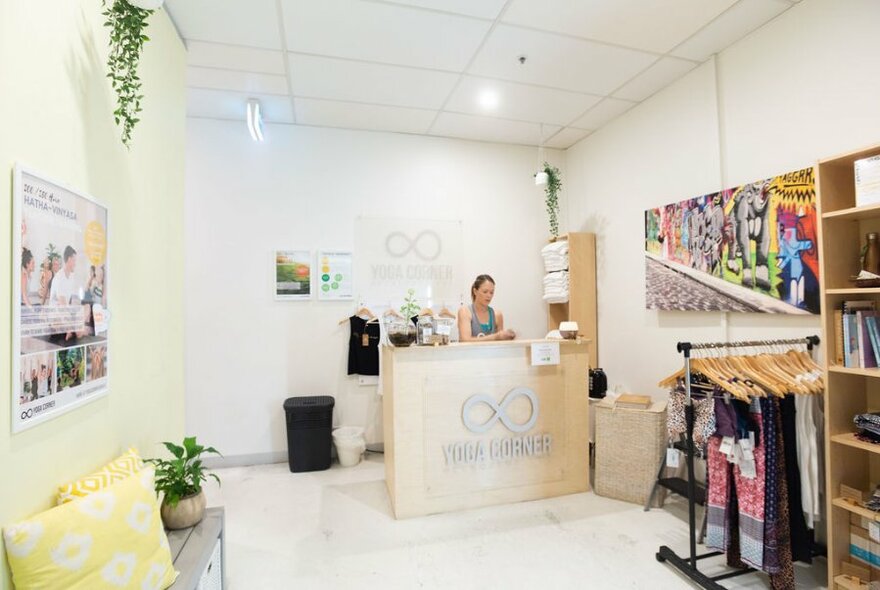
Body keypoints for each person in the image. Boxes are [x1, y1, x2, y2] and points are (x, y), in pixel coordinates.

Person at [457, 274, 515, 342]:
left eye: (491, 292)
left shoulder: (497, 315)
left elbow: (500, 343)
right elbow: (465, 340)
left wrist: (507, 336)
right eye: (485, 292)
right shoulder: (465, 312)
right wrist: (495, 336)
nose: (489, 296)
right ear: (475, 291)